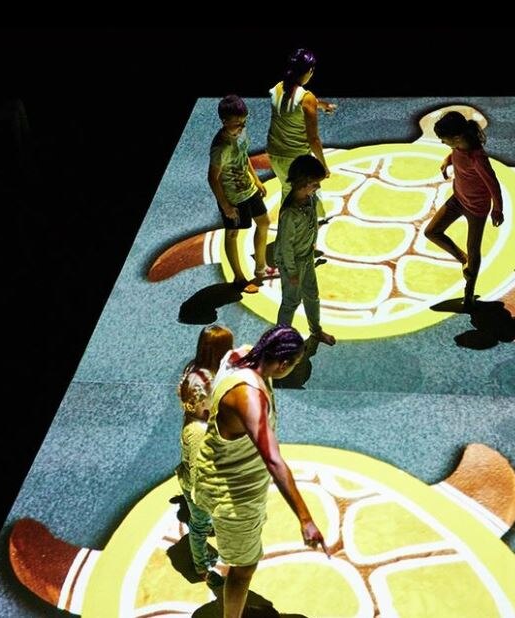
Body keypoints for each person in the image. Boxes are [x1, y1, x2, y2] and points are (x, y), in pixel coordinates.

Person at [194, 324, 329, 618]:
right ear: (282, 363)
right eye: (294, 365)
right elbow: (274, 460)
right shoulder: (249, 397)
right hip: (233, 493)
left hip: (222, 473)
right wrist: (305, 519)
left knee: (243, 555)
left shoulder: (241, 356)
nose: (292, 370)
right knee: (244, 567)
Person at [425, 111, 504, 310]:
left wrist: (498, 210)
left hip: (477, 208)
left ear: (458, 137)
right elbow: (455, 153)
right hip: (458, 199)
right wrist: (448, 160)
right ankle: (463, 259)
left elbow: (493, 184)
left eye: (444, 139)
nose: (443, 142)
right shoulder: (458, 146)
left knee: (474, 249)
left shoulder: (477, 158)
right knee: (431, 232)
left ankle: (469, 295)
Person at [175, 324, 234, 587]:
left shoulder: (196, 370)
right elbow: (199, 473)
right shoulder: (197, 432)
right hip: (198, 489)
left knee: (202, 521)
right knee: (198, 526)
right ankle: (201, 565)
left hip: (197, 478)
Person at [208, 95, 275, 294]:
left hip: (249, 189)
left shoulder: (241, 131)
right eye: (237, 122)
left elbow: (244, 156)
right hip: (232, 198)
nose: (242, 125)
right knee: (232, 234)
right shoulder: (220, 147)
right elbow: (212, 178)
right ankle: (238, 277)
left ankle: (260, 267)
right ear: (224, 121)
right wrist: (226, 206)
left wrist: (256, 179)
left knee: (264, 222)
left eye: (244, 120)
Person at [274, 155, 336, 346]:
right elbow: (286, 246)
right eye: (315, 184)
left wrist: (312, 242)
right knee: (290, 302)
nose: (318, 187)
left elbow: (313, 221)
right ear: (304, 183)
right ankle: (278, 342)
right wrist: (292, 272)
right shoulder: (290, 213)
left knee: (312, 295)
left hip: (306, 256)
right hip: (292, 262)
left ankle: (315, 330)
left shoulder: (309, 198)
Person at [266, 48, 337, 209]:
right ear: (309, 71)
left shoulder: (277, 88)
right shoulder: (307, 98)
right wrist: (323, 165)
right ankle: (308, 222)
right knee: (306, 195)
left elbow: (296, 104)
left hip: (275, 154)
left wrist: (322, 105)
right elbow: (313, 139)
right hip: (296, 160)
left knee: (288, 191)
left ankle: (292, 220)